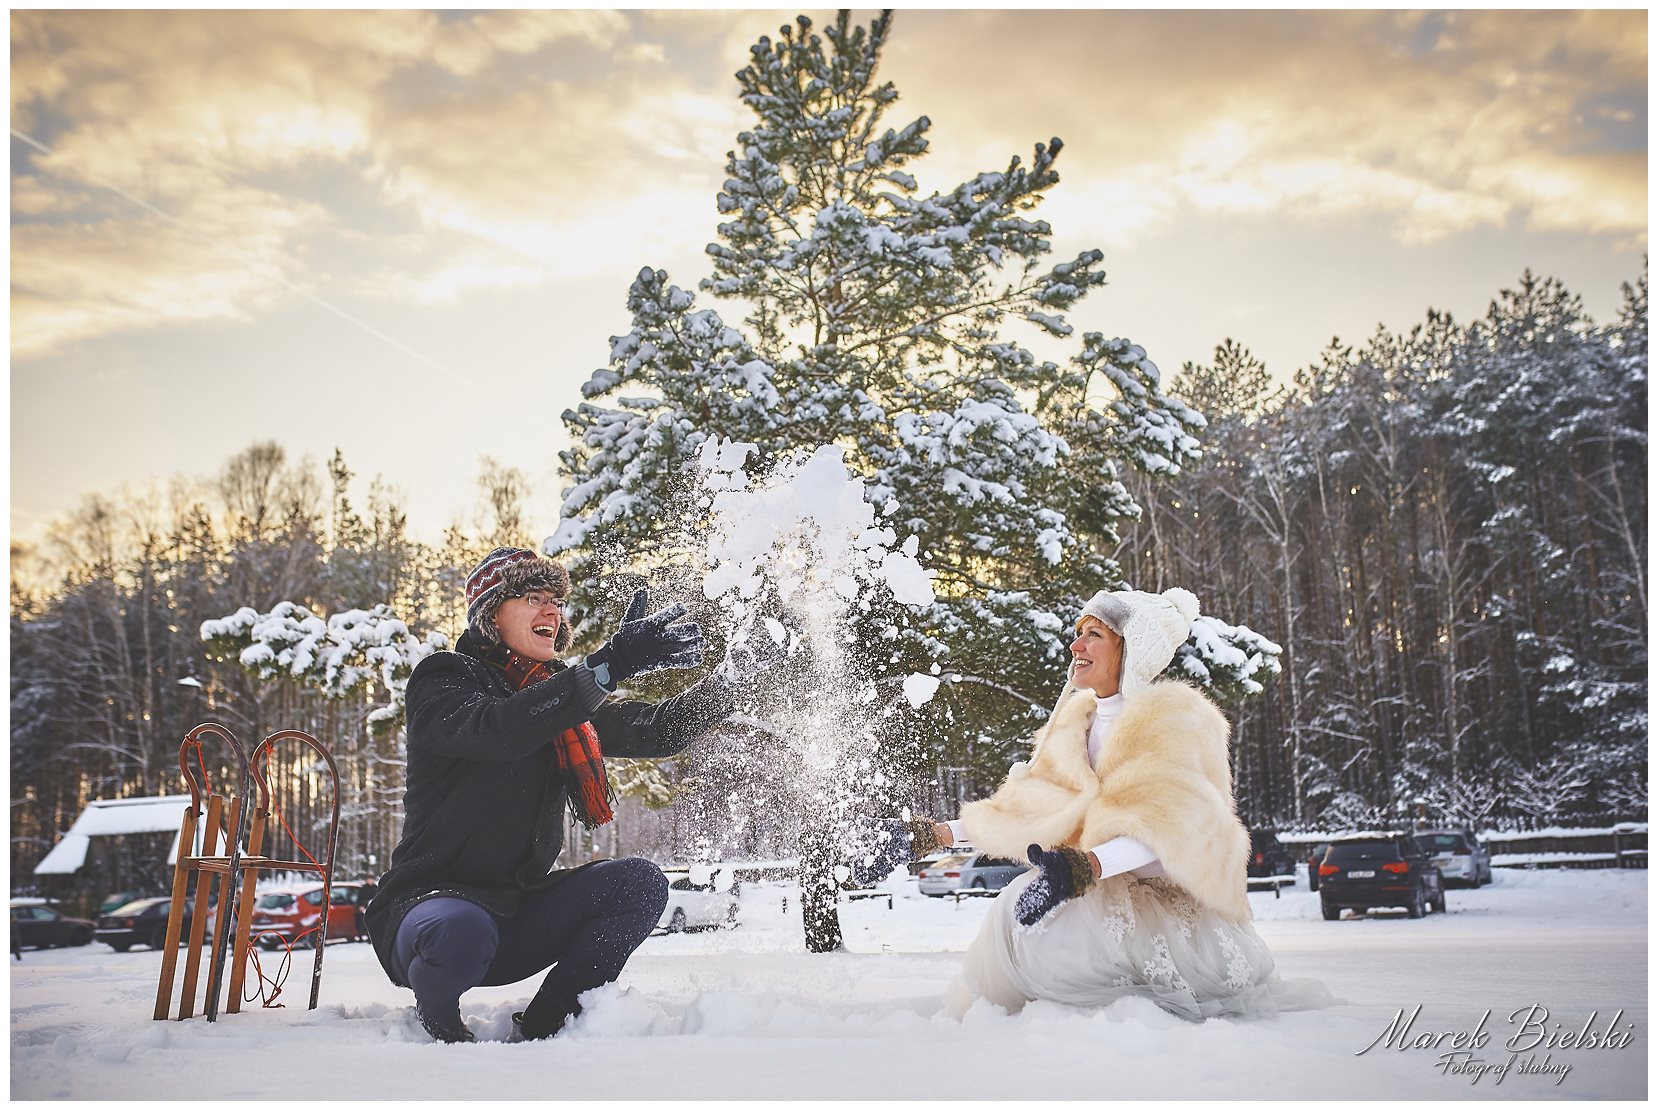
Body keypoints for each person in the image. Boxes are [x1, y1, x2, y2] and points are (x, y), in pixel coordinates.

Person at [364, 546, 780, 1043]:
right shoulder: (445, 679)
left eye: (555, 600)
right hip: (429, 911)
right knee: (460, 930)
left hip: (514, 915)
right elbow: (501, 729)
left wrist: (734, 682)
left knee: (639, 884)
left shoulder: (560, 695)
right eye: (531, 597)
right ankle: (441, 1029)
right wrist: (608, 667)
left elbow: (656, 729)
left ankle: (545, 1027)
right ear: (488, 616)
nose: (551, 610)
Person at [907, 587, 1311, 1020]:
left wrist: (1085, 867)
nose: (1076, 645)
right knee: (1013, 919)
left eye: (1093, 634)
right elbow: (1026, 809)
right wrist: (935, 835)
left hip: (1160, 913)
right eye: (1078, 632)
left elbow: (1167, 831)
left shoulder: (1175, 722)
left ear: (1131, 647)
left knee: (1095, 986)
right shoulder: (1073, 726)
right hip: (1089, 887)